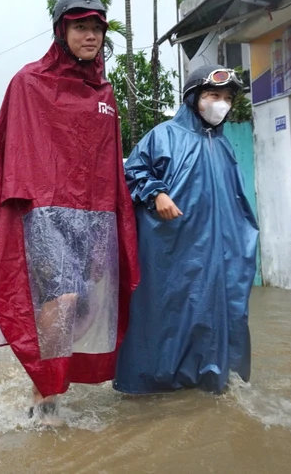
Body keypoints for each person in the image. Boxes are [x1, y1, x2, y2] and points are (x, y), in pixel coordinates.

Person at [0, 0, 139, 422]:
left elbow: (109, 162)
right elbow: (7, 151)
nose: (91, 36)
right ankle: (44, 397)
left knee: (87, 305)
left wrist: (118, 220)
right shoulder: (28, 83)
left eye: (96, 28)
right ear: (61, 30)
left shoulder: (104, 93)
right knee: (60, 299)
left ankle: (52, 385)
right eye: (80, 27)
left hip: (95, 220)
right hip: (45, 216)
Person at [114, 65, 259, 395]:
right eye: (213, 96)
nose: (220, 104)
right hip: (169, 251)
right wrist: (157, 193)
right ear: (194, 98)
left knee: (215, 313)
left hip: (217, 253)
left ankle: (208, 381)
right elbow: (132, 173)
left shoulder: (224, 148)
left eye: (227, 98)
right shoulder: (163, 136)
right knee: (164, 313)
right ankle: (151, 385)